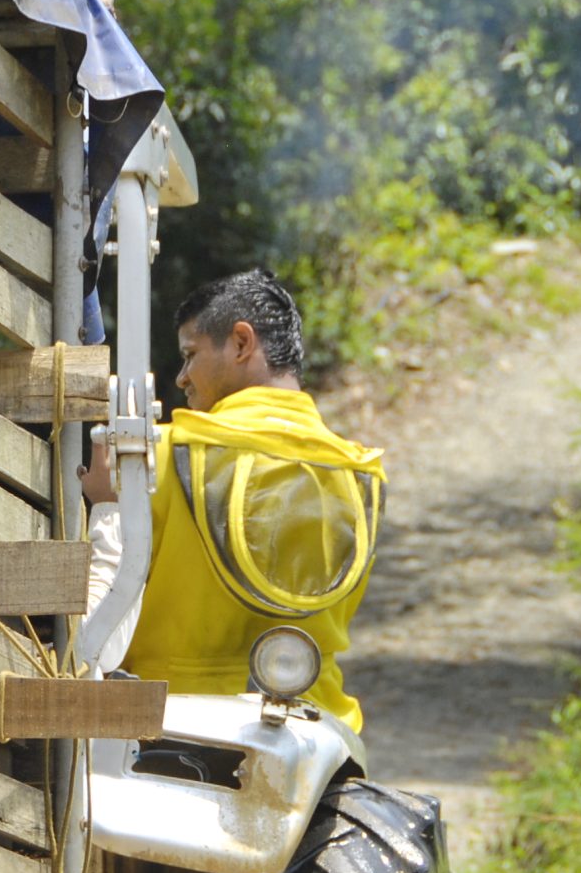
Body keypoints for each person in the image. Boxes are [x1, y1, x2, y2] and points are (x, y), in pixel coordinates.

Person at [81, 268, 385, 726]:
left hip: (169, 729)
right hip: (315, 727)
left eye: (190, 354)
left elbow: (93, 637)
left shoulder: (153, 459)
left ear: (241, 343)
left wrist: (106, 504)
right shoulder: (362, 474)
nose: (182, 377)